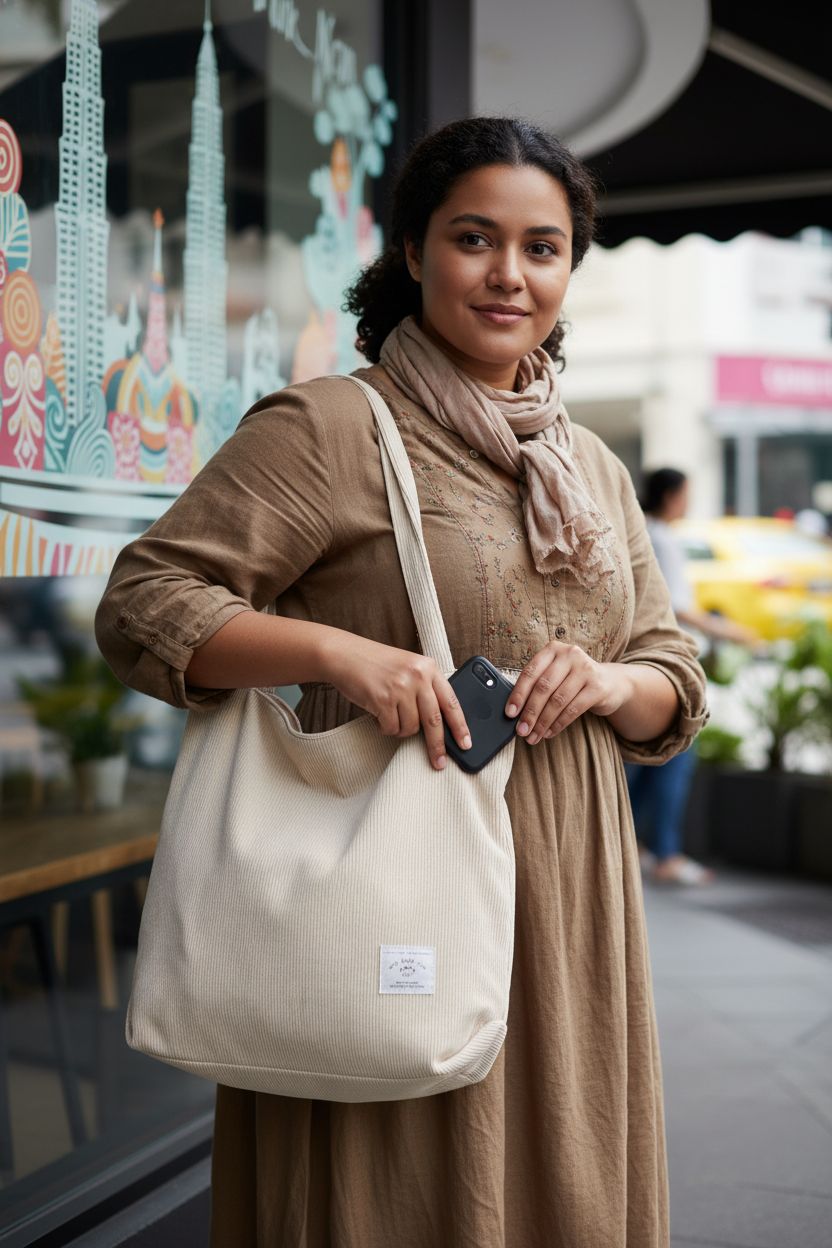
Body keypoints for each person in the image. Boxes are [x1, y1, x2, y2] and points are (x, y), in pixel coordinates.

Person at [95, 118, 708, 1248]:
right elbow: (147, 601)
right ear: (414, 251)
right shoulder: (333, 426)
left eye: (542, 248)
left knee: (559, 1177)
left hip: (567, 897)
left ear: (570, 267)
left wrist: (612, 687)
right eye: (475, 239)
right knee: (399, 1189)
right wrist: (338, 656)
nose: (508, 275)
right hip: (387, 882)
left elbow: (673, 671)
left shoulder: (592, 467)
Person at [627, 468, 755, 885]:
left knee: (646, 763)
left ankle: (636, 846)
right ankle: (666, 853)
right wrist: (733, 632)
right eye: (686, 494)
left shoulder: (641, 527)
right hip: (667, 665)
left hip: (635, 664)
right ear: (671, 496)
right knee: (678, 750)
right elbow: (677, 607)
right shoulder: (661, 538)